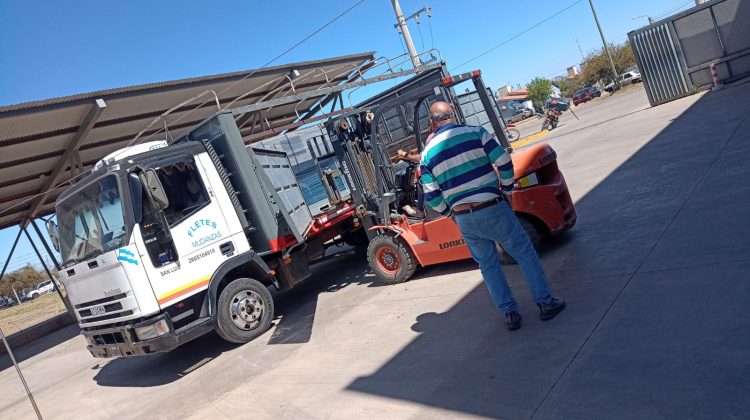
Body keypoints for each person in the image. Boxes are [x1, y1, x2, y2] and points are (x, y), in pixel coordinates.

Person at [420, 101, 566, 330]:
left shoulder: (426, 154)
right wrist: (507, 190)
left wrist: (452, 214)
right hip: (492, 206)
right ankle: (546, 304)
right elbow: (504, 161)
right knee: (524, 254)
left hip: (465, 218)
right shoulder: (475, 132)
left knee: (488, 266)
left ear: (431, 122)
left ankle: (510, 314)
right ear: (455, 114)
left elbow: (431, 197)